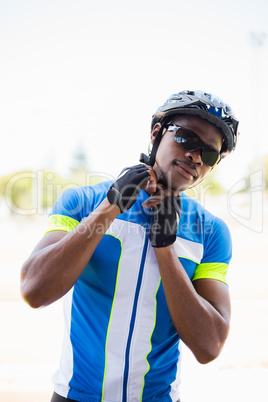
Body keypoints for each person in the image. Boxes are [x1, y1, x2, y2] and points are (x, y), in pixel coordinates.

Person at [20, 90, 239, 402]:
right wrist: (110, 207)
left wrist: (165, 247)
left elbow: (209, 346)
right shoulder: (82, 202)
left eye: (210, 154)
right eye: (187, 139)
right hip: (74, 396)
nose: (195, 156)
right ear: (156, 134)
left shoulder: (211, 232)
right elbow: (34, 290)